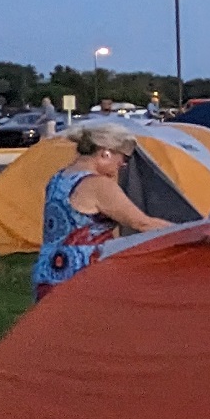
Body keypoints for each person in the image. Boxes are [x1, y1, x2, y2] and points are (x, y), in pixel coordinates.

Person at [33, 122, 172, 300]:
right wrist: (191, 232)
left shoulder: (59, 177)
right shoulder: (98, 184)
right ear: (106, 152)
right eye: (124, 158)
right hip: (83, 274)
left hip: (50, 270)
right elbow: (142, 223)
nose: (123, 165)